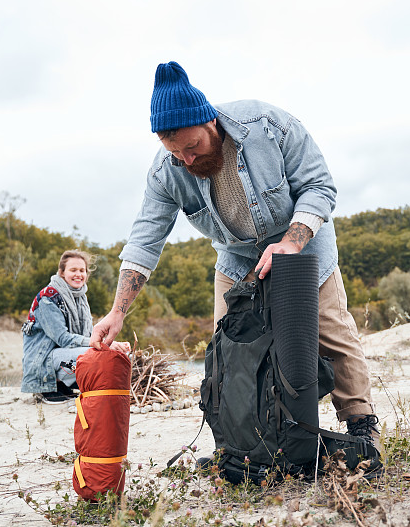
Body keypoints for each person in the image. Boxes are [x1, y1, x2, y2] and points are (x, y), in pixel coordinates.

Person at [90, 61, 380, 448]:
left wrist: (291, 243)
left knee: (330, 327)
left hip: (301, 233)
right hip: (237, 255)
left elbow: (319, 186)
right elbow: (145, 240)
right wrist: (117, 312)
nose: (188, 161)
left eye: (193, 147)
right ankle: (240, 444)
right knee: (228, 346)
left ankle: (362, 428)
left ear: (210, 122)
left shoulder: (268, 125)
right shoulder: (165, 172)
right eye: (176, 153)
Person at [22, 250, 129, 404]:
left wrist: (110, 344)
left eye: (82, 270)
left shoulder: (80, 296)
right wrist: (103, 344)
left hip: (63, 354)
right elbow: (64, 339)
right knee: (93, 354)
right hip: (43, 360)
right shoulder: (47, 298)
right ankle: (50, 387)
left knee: (110, 354)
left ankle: (64, 385)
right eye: (73, 270)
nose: (78, 274)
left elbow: (89, 333)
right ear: (62, 272)